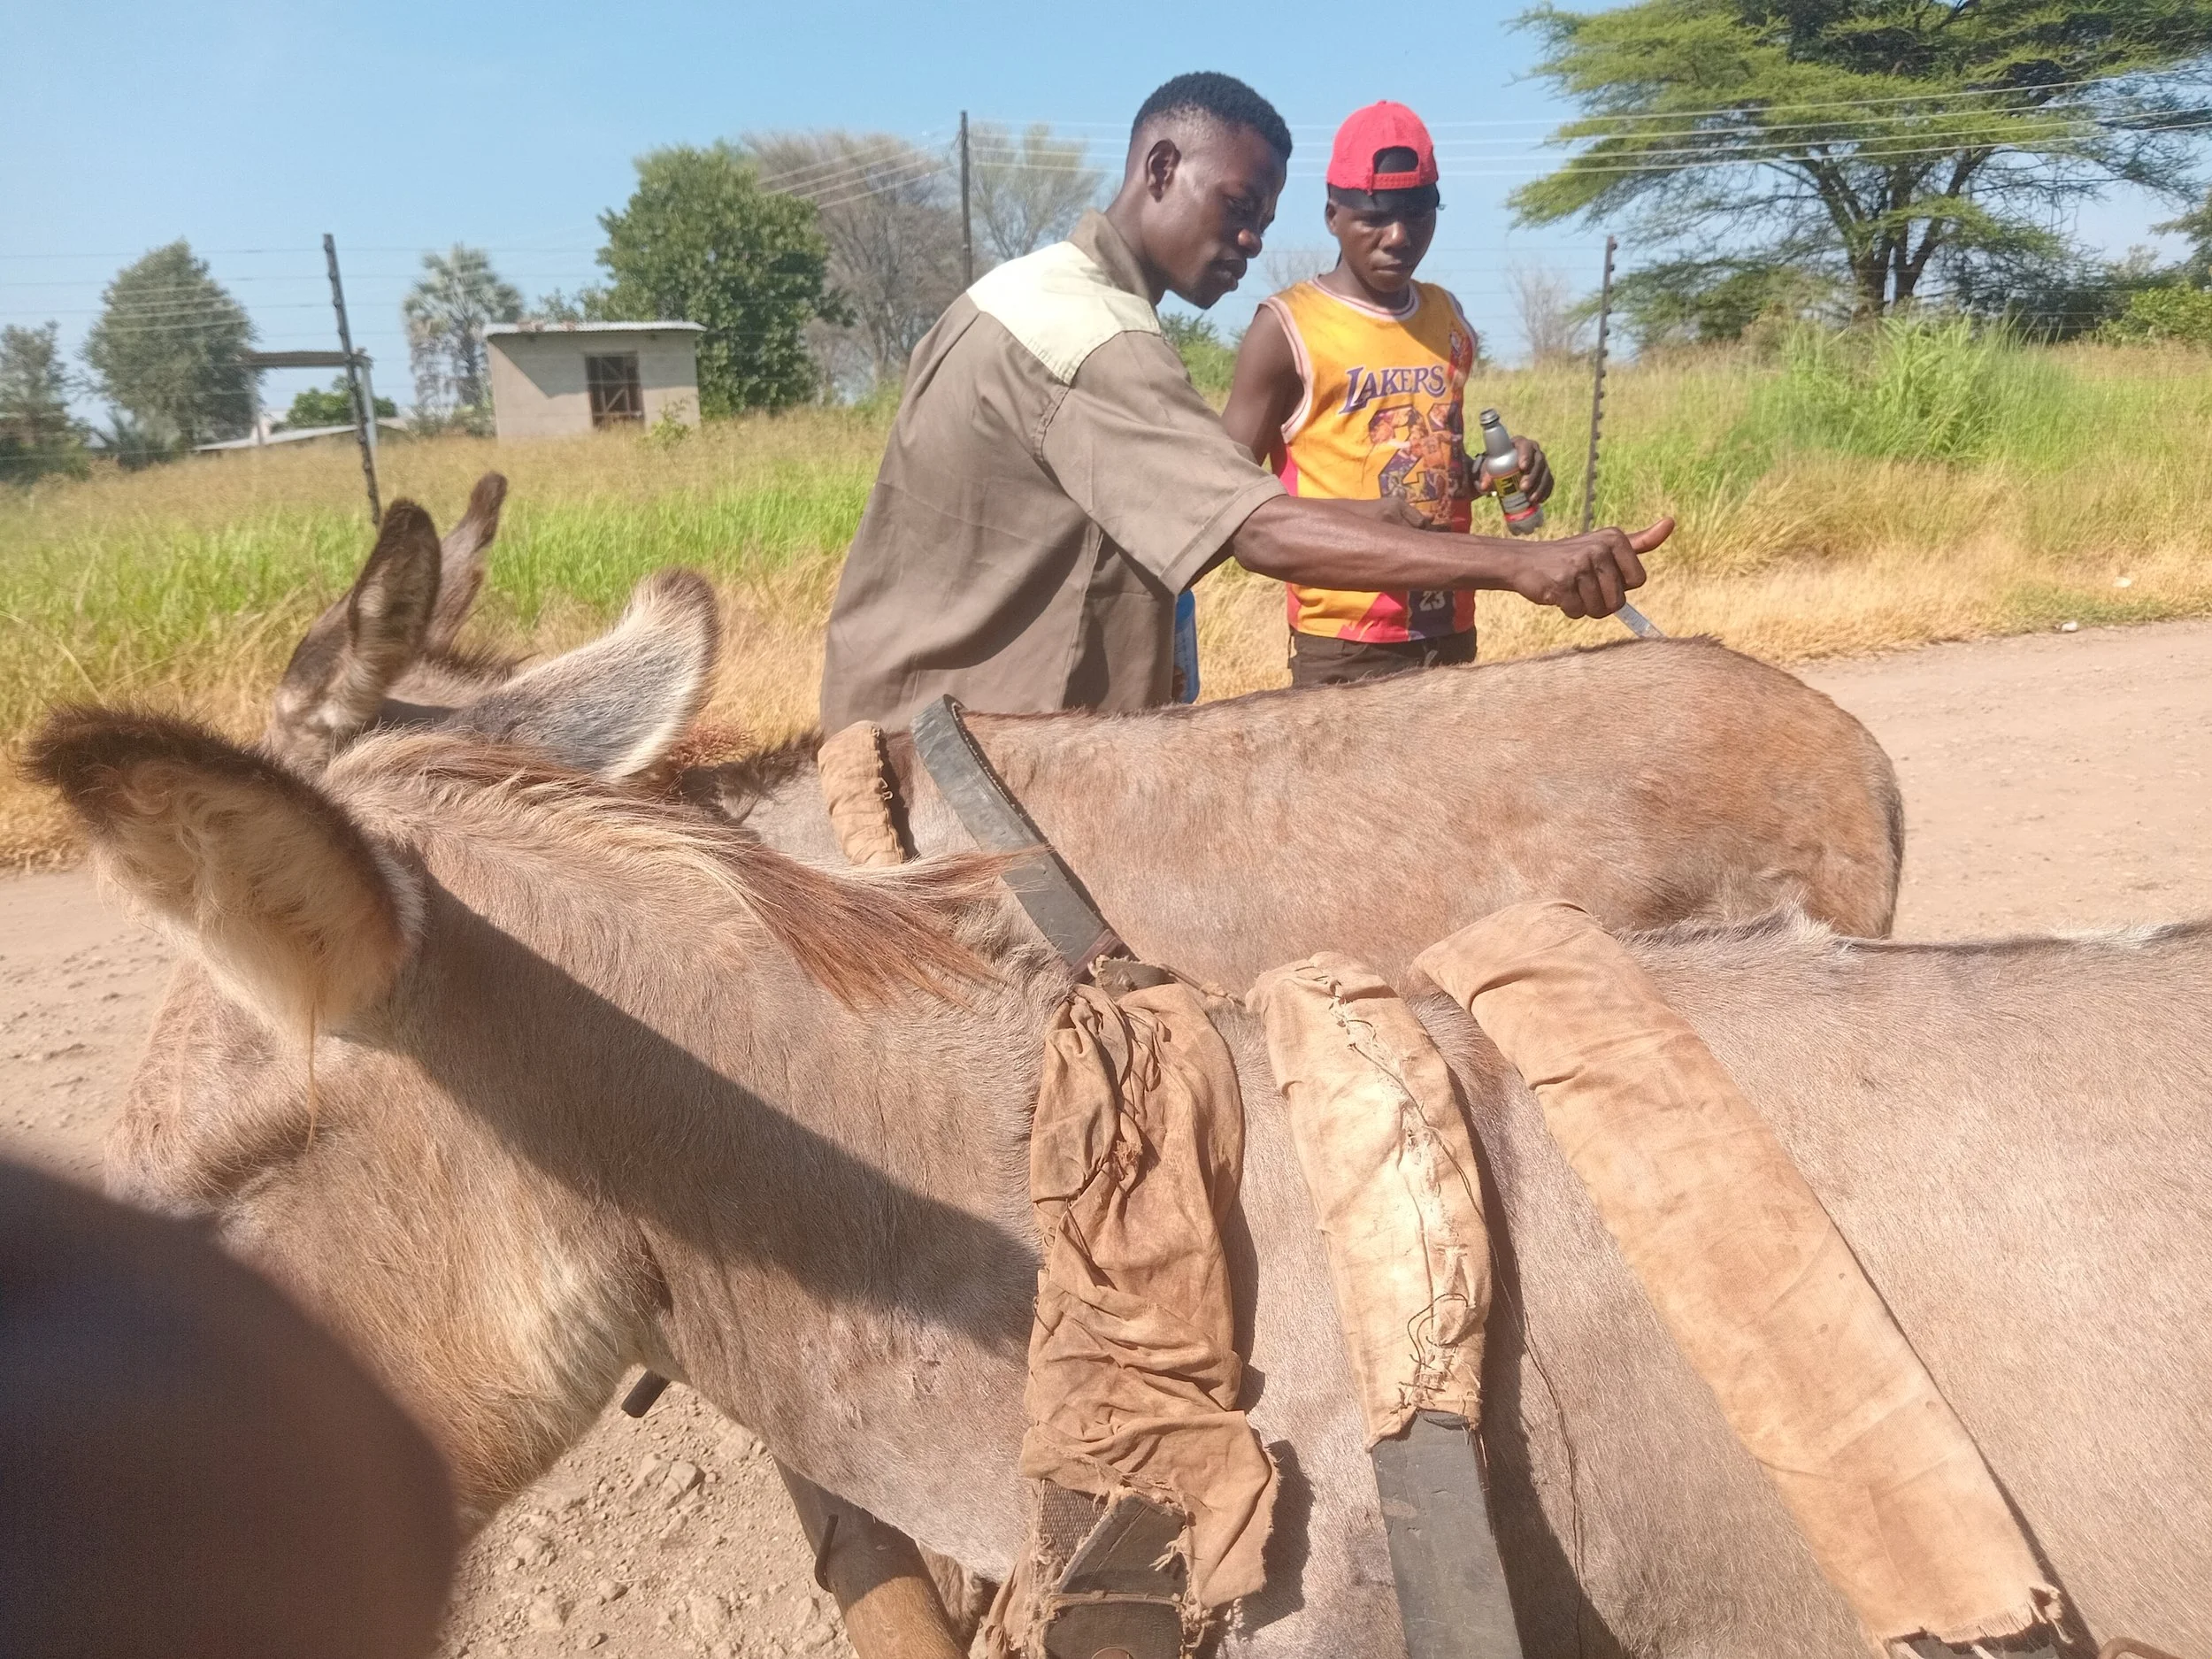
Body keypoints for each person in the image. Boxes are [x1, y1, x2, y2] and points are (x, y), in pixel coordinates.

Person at [819, 72, 1668, 733]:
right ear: (1160, 169)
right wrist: (1524, 564)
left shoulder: (1027, 296)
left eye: (1262, 216)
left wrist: (1426, 500)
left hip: (971, 723)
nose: (1253, 238)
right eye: (1236, 206)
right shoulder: (1088, 334)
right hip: (967, 753)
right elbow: (1254, 526)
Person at [1221, 100, 1537, 688]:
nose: (1398, 237)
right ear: (1332, 215)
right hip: (1347, 644)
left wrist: (1493, 470)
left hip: (1450, 625)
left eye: (1418, 216)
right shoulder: (1287, 328)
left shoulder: (1448, 318)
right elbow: (1223, 501)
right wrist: (1368, 517)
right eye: (1374, 218)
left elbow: (1435, 465)